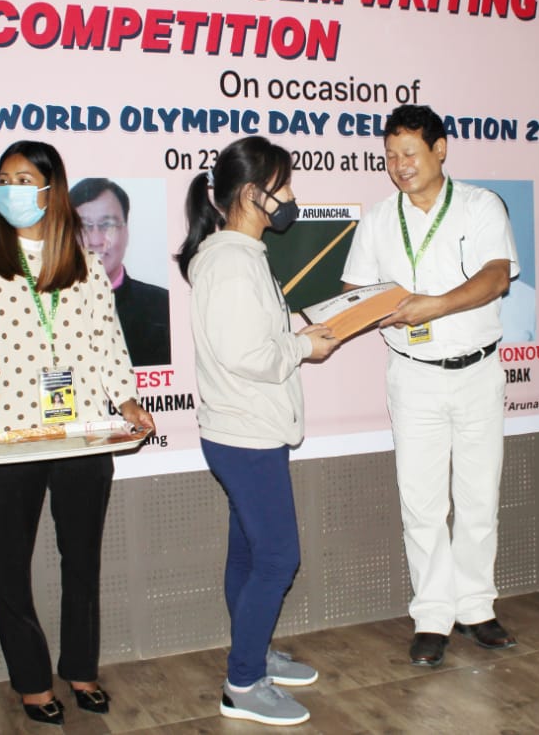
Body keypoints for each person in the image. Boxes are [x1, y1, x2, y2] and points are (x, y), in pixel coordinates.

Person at [0, 141, 156, 726]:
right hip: (8, 439)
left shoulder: (85, 266)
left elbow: (108, 341)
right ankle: (32, 681)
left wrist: (128, 401)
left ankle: (81, 668)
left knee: (81, 559)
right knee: (10, 563)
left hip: (81, 434)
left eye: (24, 179)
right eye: (4, 179)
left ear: (50, 189)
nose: (11, 190)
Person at [341, 105, 519, 667]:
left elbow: (496, 277)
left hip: (478, 371)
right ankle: (433, 616)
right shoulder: (378, 219)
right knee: (421, 502)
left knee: (478, 497)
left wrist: (434, 306)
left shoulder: (480, 206)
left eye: (410, 153)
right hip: (413, 375)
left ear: (440, 149)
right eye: (390, 155)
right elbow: (354, 290)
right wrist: (348, 313)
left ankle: (476, 607)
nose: (399, 165)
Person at [176, 136, 339, 726]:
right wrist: (304, 347)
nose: (291, 196)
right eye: (283, 185)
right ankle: (243, 683)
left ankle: (253, 651)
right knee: (277, 557)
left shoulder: (240, 255)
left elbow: (253, 331)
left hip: (246, 429)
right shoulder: (229, 262)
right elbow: (247, 355)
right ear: (251, 194)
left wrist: (302, 327)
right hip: (245, 434)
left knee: (248, 552)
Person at [70, 177, 171, 366]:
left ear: (126, 232)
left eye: (107, 225)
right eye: (83, 226)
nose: (95, 240)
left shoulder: (163, 307)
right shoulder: (49, 304)